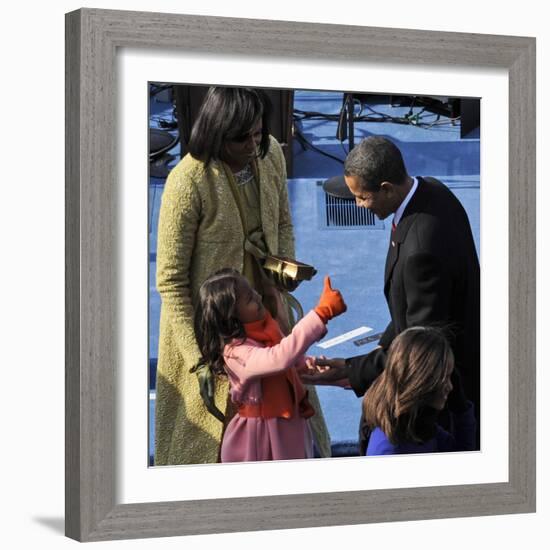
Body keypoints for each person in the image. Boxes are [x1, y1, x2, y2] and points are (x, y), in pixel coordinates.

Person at [154, 86, 331, 465]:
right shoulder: (187, 182)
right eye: (243, 138)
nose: (254, 144)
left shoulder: (269, 156)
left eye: (257, 132)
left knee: (285, 408)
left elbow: (282, 222)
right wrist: (200, 359)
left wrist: (281, 276)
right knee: (213, 443)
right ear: (218, 135)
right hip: (211, 331)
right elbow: (170, 280)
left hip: (265, 311)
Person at [302, 136, 480, 451]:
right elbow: (406, 317)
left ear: (386, 188)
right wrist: (353, 365)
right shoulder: (433, 192)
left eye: (362, 197)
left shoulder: (420, 253)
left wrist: (350, 372)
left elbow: (419, 348)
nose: (357, 205)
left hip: (439, 404)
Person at [194, 269, 346, 462]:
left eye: (253, 292)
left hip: (290, 425)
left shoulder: (265, 329)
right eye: (249, 298)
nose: (257, 297)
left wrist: (312, 365)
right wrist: (322, 313)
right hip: (261, 439)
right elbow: (279, 358)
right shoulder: (235, 353)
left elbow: (288, 361)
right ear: (231, 317)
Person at [363, 327, 476, 455]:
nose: (450, 387)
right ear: (421, 380)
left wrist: (460, 408)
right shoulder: (388, 450)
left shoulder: (418, 425)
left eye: (451, 377)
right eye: (443, 378)